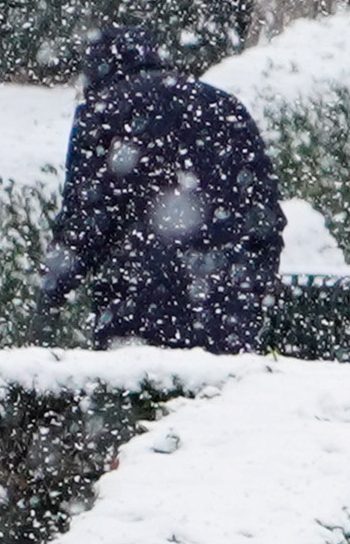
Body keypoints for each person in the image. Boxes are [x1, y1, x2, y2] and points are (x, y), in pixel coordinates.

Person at [34, 25, 282, 353]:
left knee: (143, 399)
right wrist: (254, 285)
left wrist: (50, 296)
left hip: (136, 305)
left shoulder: (102, 113)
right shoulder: (224, 107)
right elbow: (264, 214)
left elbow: (87, 221)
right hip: (225, 304)